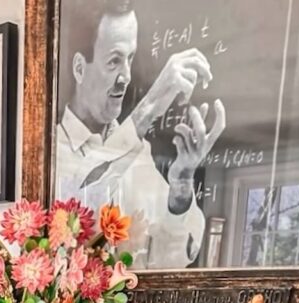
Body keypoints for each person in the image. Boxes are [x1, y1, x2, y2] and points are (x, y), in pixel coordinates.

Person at [55, 0, 226, 268]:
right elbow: (83, 195)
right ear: (79, 68)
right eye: (114, 61)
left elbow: (171, 261)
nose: (125, 76)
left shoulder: (139, 154)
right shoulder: (50, 154)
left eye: (130, 59)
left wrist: (180, 190)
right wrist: (151, 105)